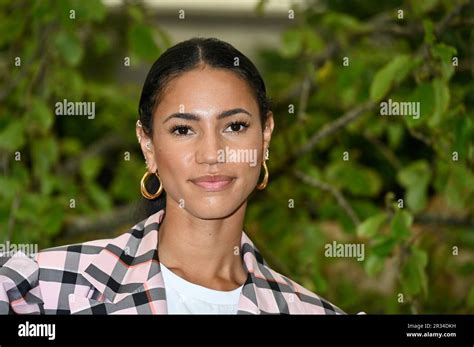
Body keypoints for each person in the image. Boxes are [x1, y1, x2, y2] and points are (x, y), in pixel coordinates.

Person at [0, 37, 345, 315]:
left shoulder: (309, 310)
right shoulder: (45, 288)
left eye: (235, 126)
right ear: (148, 145)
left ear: (265, 136)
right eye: (183, 130)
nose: (212, 153)